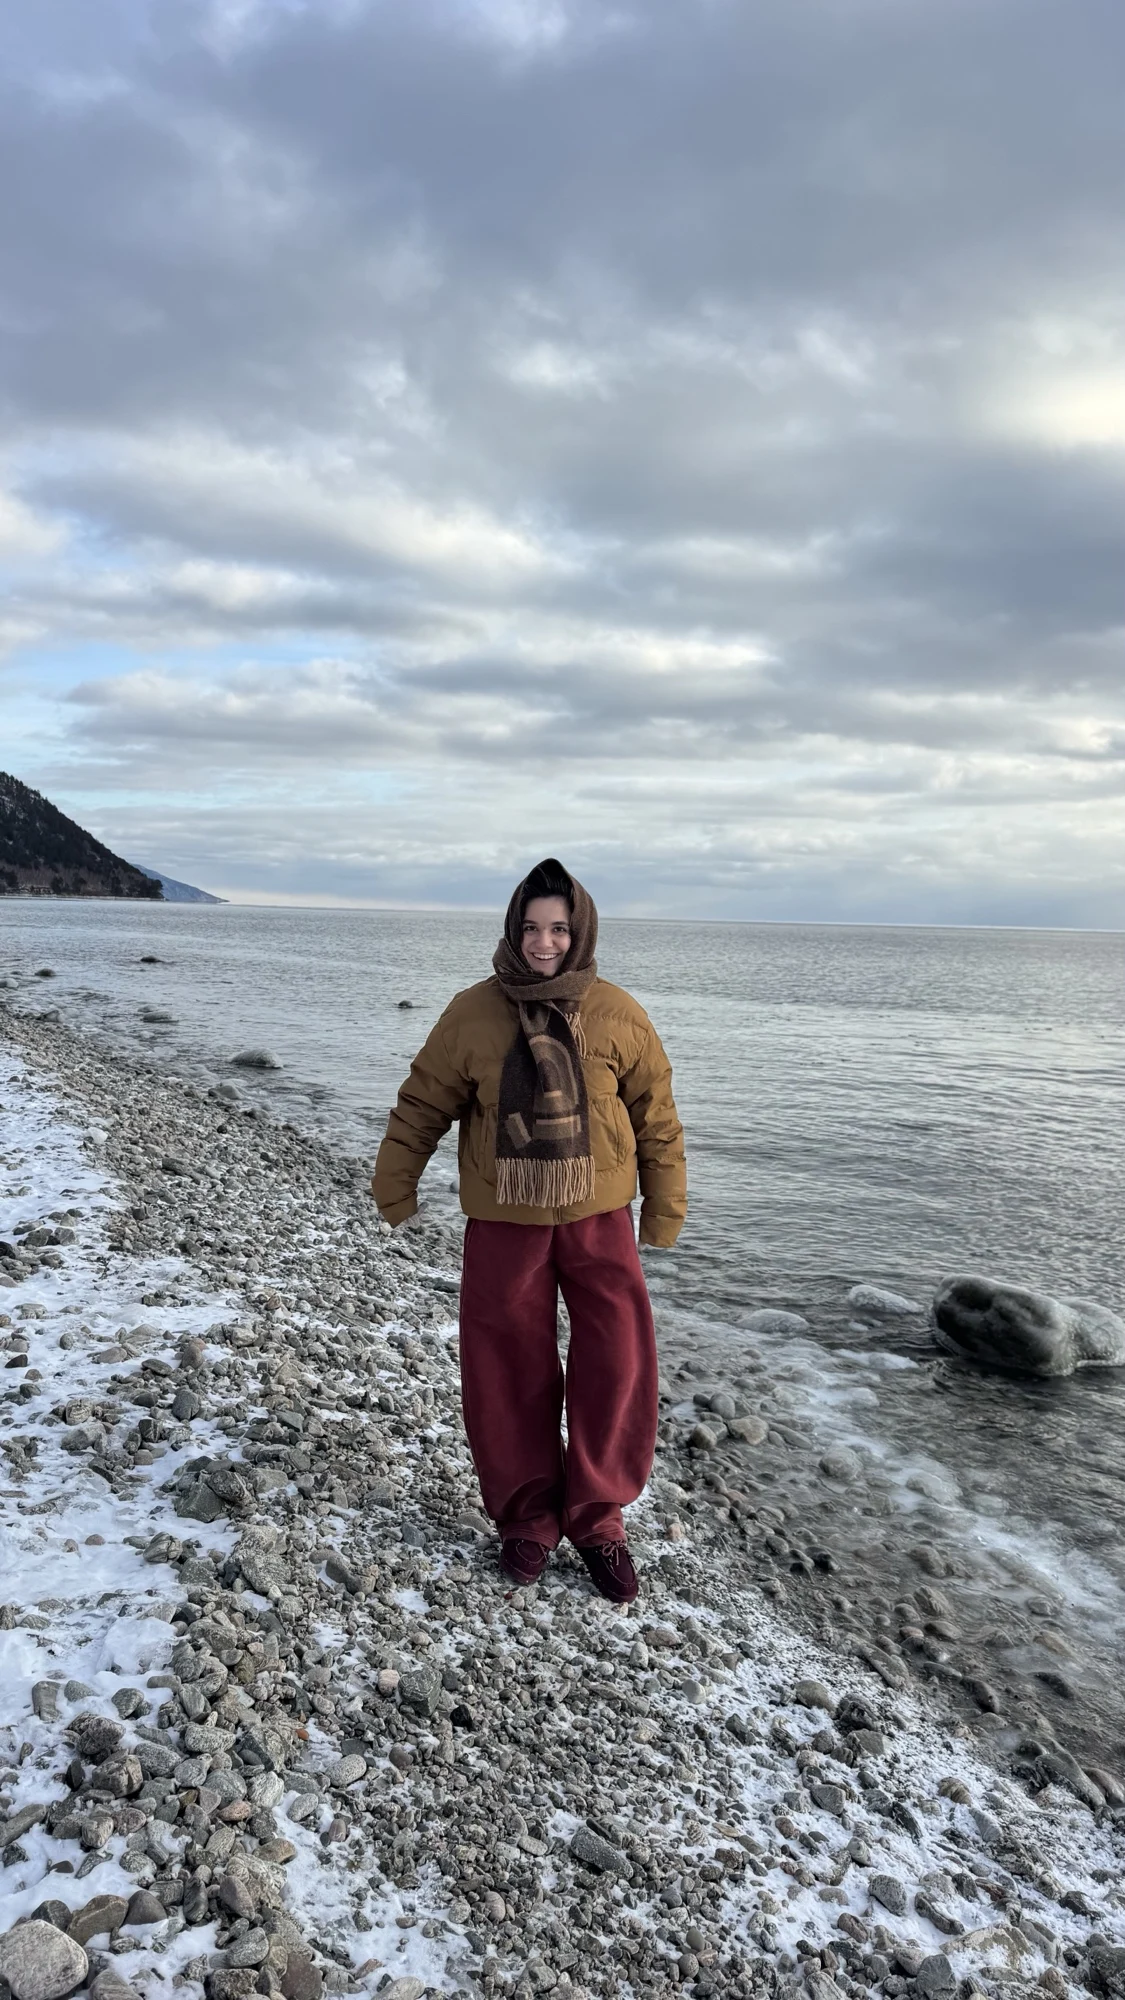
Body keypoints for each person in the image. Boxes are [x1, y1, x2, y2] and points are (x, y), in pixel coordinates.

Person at [372, 858, 687, 1602]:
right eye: (532, 928)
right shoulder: (472, 1013)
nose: (545, 943)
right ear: (513, 931)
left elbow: (656, 1114)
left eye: (559, 929)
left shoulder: (617, 1012)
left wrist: (664, 1206)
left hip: (599, 1216)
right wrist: (395, 1185)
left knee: (617, 1361)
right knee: (506, 1365)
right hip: (503, 1218)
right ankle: (527, 1518)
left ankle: (598, 1518)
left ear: (581, 934)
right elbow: (423, 1103)